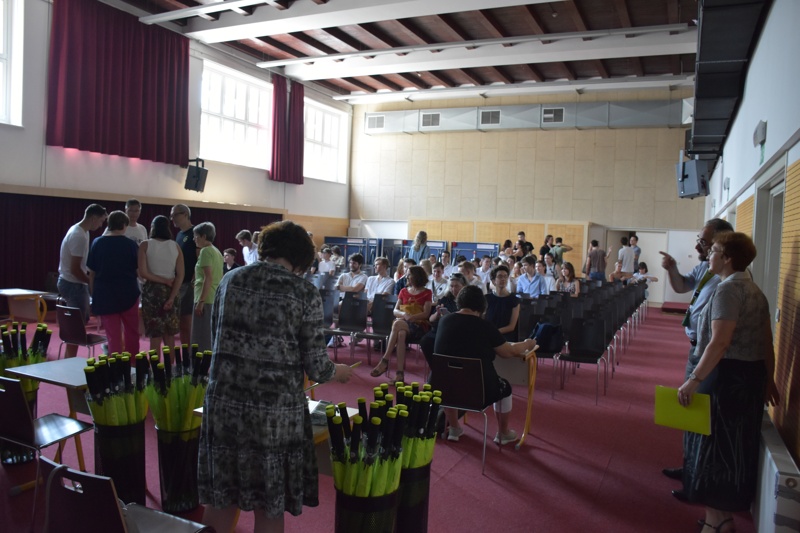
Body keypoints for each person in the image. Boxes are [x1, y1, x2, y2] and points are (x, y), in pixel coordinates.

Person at [198, 220, 353, 533]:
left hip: (224, 405)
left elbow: (217, 338)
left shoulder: (230, 279)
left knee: (221, 499)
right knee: (269, 505)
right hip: (273, 415)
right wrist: (340, 372)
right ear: (300, 259)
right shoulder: (303, 292)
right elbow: (318, 367)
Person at [677, 232, 779, 533]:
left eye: (715, 250)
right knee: (731, 448)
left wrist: (694, 379)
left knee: (713, 448)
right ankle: (719, 518)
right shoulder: (754, 290)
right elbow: (767, 342)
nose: (709, 255)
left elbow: (720, 342)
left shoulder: (728, 291)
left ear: (727, 258)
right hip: (749, 377)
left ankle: (718, 521)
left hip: (726, 378)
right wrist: (769, 378)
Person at [659, 218, 734, 501]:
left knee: (701, 413)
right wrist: (672, 269)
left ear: (721, 244)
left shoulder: (727, 280)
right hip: (695, 347)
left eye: (704, 243)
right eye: (700, 241)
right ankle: (689, 467)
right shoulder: (705, 267)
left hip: (707, 351)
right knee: (690, 410)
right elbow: (681, 287)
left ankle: (697, 479)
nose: (698, 247)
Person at [433, 285, 537, 444]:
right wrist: (527, 344)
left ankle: (454, 428)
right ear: (482, 305)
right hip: (478, 392)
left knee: (450, 379)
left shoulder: (444, 321)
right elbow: (508, 352)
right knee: (505, 388)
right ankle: (503, 433)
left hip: (444, 388)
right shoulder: (485, 326)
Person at [87, 210, 140, 356]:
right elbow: (138, 271)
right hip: (128, 293)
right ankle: (132, 363)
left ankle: (115, 364)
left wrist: (93, 293)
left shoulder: (97, 243)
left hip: (105, 294)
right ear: (124, 225)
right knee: (132, 332)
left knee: (112, 335)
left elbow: (92, 273)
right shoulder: (131, 245)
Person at [57, 203, 108, 358]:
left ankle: (69, 359)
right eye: (101, 221)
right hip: (73, 284)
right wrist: (91, 283)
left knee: (77, 324)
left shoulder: (82, 232)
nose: (101, 225)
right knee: (76, 327)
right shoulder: (78, 235)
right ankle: (70, 360)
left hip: (73, 283)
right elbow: (75, 269)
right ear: (93, 218)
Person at [369, 265, 432, 384]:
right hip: (404, 323)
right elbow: (395, 310)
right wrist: (404, 314)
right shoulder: (403, 291)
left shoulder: (427, 292)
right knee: (401, 334)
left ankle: (385, 360)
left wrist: (412, 317)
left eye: (409, 275)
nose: (406, 277)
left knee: (397, 324)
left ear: (417, 276)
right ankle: (399, 374)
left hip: (419, 325)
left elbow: (426, 313)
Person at [138, 215, 184, 357]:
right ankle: (171, 368)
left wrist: (162, 281)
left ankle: (155, 368)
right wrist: (172, 297)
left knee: (155, 335)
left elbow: (143, 273)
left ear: (152, 227)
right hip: (172, 290)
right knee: (170, 335)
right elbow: (180, 275)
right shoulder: (175, 246)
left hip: (152, 292)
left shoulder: (145, 245)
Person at [420, 273, 467, 367]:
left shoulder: (467, 301)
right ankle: (436, 368)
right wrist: (437, 313)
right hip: (441, 329)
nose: (453, 289)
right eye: (451, 286)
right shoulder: (445, 299)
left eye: (457, 286)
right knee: (425, 340)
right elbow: (431, 319)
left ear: (464, 286)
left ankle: (447, 368)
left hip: (457, 331)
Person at [192, 222, 224, 352]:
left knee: (201, 337)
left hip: (205, 298)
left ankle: (200, 363)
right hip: (213, 296)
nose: (194, 239)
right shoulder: (217, 251)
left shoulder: (205, 251)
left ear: (204, 236)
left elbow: (208, 277)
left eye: (196, 236)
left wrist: (201, 301)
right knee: (208, 335)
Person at [171, 204, 197, 345]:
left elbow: (200, 259)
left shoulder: (195, 233)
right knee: (181, 324)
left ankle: (191, 354)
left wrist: (194, 280)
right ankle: (185, 353)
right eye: (171, 215)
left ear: (185, 214)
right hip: (180, 283)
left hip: (190, 284)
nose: (172, 218)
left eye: (175, 215)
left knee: (188, 323)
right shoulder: (179, 235)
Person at [485, 265, 519, 342]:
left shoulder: (514, 300)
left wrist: (494, 332)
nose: (503, 279)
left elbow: (511, 326)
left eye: (505, 276)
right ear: (493, 281)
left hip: (505, 337)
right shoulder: (487, 299)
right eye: (500, 276)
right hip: (488, 334)